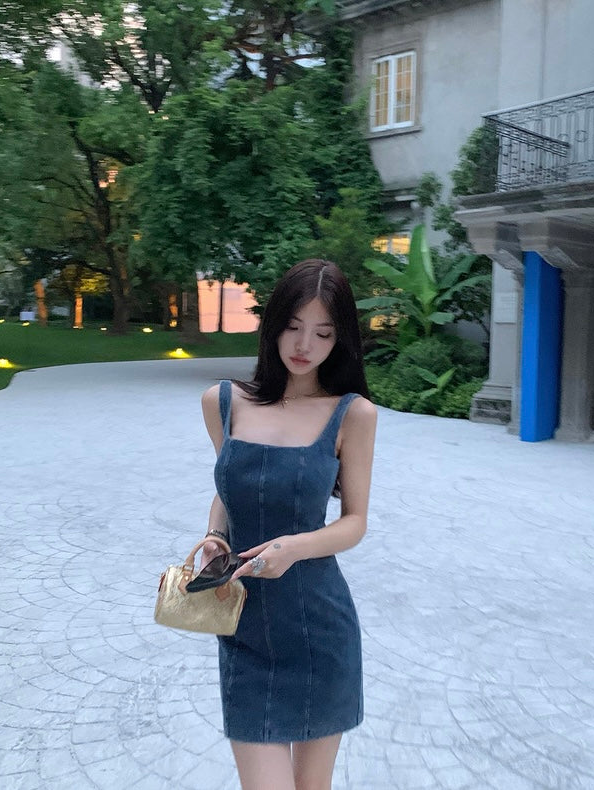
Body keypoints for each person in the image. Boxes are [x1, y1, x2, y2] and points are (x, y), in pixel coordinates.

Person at [199, 259, 378, 790]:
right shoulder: (222, 402)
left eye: (323, 333)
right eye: (294, 326)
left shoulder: (353, 414)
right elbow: (231, 485)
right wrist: (215, 536)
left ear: (339, 339)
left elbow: (355, 522)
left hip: (319, 626)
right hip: (244, 624)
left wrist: (293, 548)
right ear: (273, 323)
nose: (304, 345)